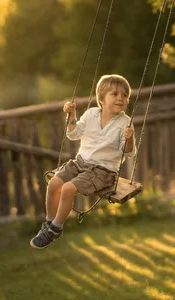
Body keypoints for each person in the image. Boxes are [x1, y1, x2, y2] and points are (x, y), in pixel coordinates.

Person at [30, 74, 136, 249]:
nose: (120, 98)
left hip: (103, 171)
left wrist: (129, 138)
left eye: (124, 95)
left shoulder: (125, 123)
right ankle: (49, 223)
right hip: (80, 163)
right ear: (101, 98)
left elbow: (128, 153)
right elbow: (73, 133)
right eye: (115, 94)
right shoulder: (91, 114)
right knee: (54, 184)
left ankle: (56, 229)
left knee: (67, 189)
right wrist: (71, 114)